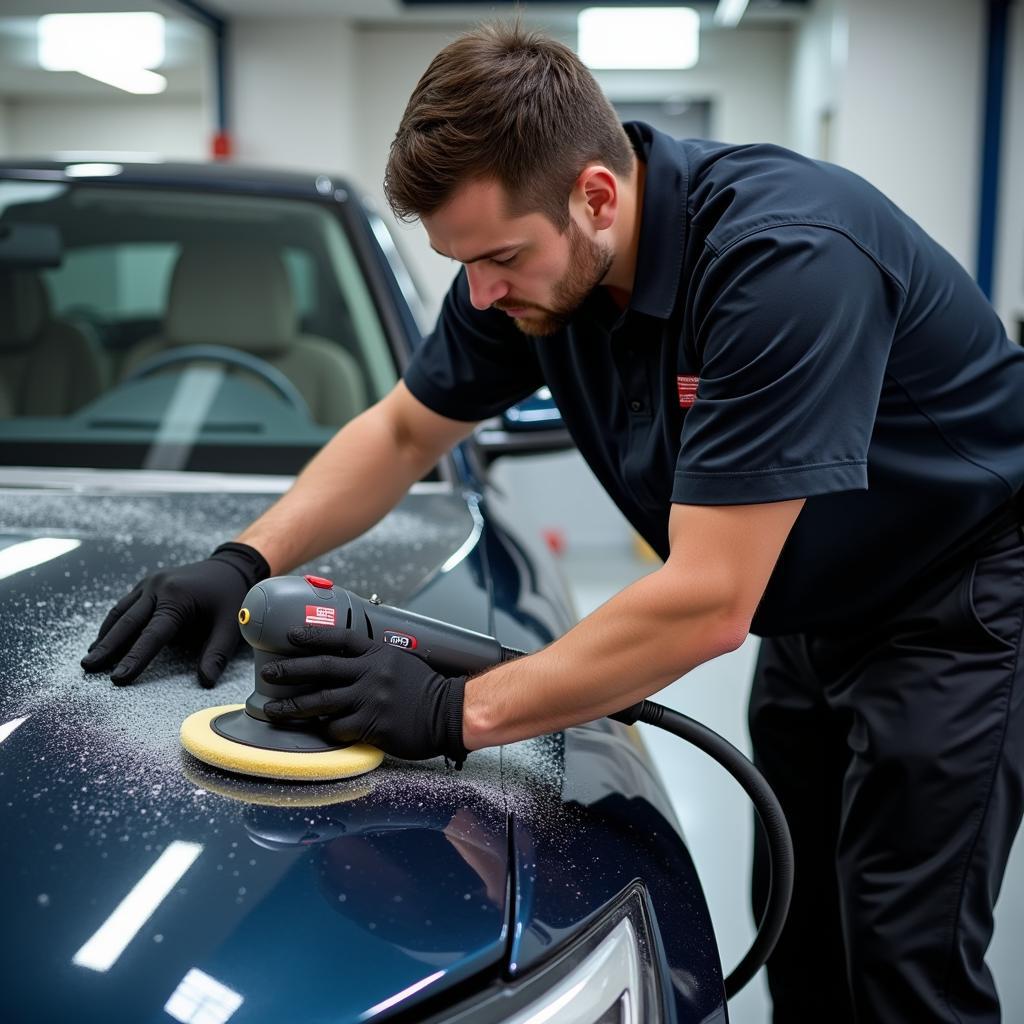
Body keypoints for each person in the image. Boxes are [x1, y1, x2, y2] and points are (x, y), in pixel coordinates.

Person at [82, 22, 1024, 1023]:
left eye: (498, 259)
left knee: (898, 950)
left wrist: (455, 713)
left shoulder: (784, 262)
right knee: (804, 935)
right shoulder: (533, 265)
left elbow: (707, 602)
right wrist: (242, 558)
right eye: (463, 263)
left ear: (598, 196)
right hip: (811, 602)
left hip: (952, 600)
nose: (481, 295)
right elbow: (404, 431)